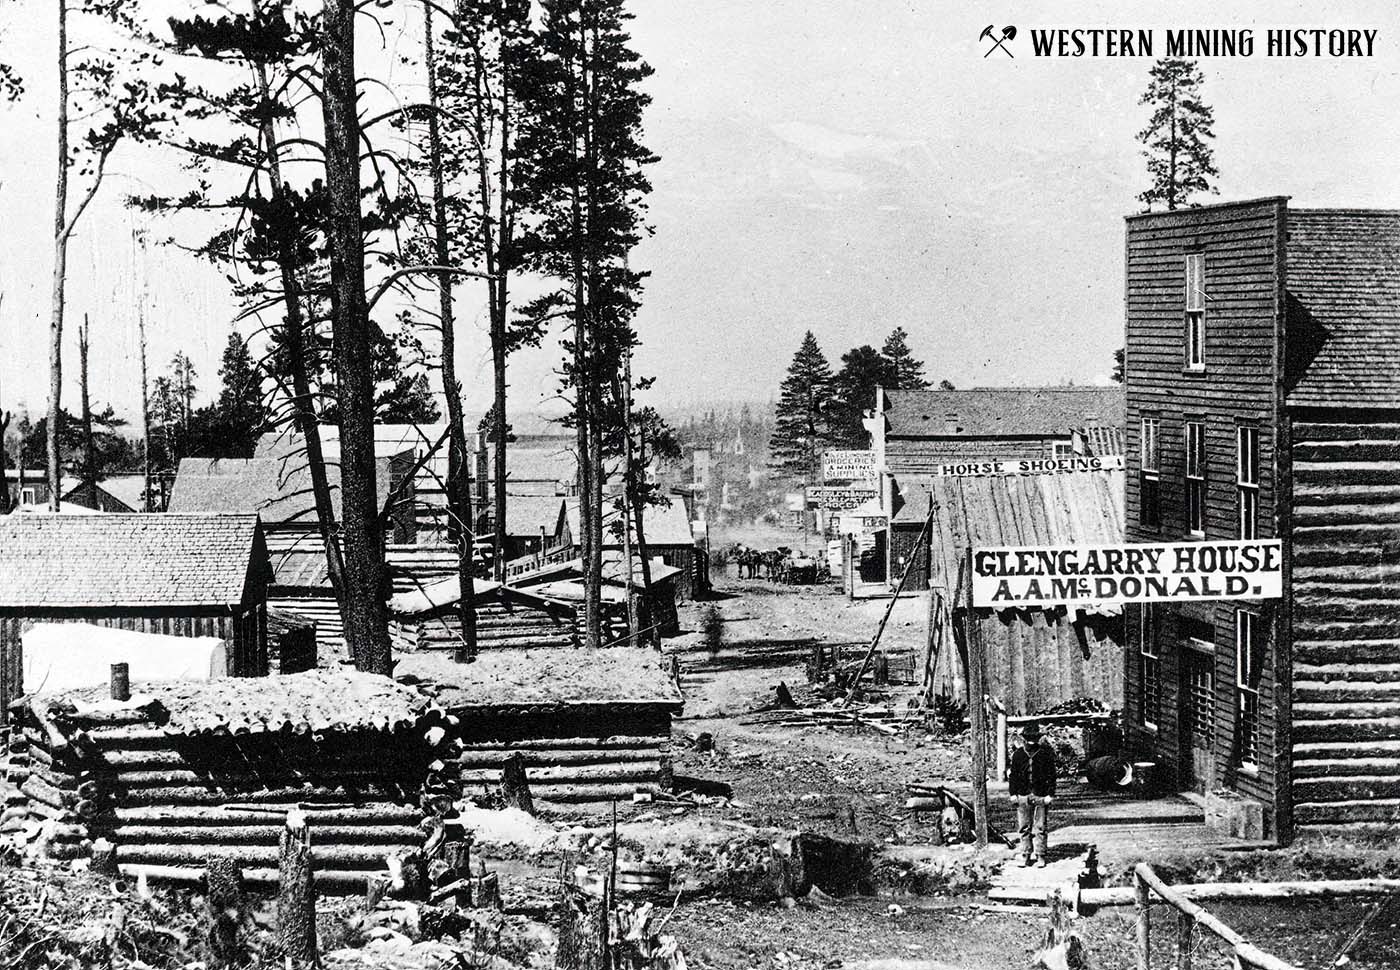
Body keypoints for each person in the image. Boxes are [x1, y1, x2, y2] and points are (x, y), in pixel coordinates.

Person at [1009, 721, 1056, 867]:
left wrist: (1050, 794)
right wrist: (1013, 794)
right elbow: (1013, 776)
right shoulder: (1017, 755)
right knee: (1024, 826)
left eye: (1034, 737)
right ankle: (1026, 855)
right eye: (1029, 737)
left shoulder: (1045, 754)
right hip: (1022, 795)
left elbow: (1052, 776)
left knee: (1040, 826)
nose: (1031, 740)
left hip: (1040, 794)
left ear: (1038, 739)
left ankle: (1041, 855)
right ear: (1024, 738)